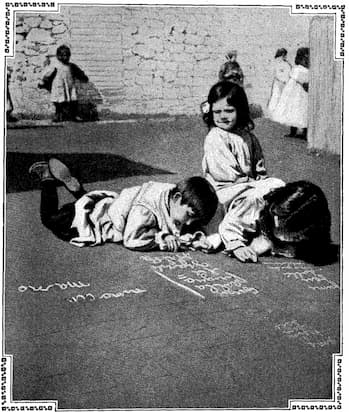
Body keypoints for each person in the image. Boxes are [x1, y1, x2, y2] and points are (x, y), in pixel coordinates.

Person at [29, 158, 218, 252]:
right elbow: (131, 239)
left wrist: (196, 236)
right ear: (177, 199)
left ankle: (78, 191)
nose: (189, 221)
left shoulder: (176, 193)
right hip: (94, 220)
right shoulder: (146, 211)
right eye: (191, 214)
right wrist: (162, 238)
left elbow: (185, 224)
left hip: (111, 207)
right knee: (50, 219)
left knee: (95, 205)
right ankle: (46, 178)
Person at [202, 180, 333, 265]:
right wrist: (237, 245)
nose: (285, 237)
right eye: (280, 225)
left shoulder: (314, 221)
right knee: (214, 239)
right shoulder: (257, 201)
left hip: (261, 226)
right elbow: (230, 224)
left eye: (296, 235)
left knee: (264, 245)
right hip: (223, 208)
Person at [201, 80, 282, 211]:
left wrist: (261, 180)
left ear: (240, 110)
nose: (222, 116)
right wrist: (252, 184)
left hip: (249, 185)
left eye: (229, 111)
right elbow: (226, 174)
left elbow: (259, 166)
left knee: (278, 186)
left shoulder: (248, 137)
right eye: (217, 112)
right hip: (226, 191)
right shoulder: (215, 137)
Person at [38, 45, 89, 122]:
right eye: (63, 55)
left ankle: (73, 116)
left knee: (72, 101)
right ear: (59, 56)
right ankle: (58, 116)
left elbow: (78, 72)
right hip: (59, 86)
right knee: (58, 102)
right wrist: (42, 82)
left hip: (69, 86)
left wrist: (83, 77)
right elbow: (47, 74)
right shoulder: (55, 66)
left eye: (67, 55)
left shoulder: (71, 66)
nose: (66, 58)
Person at [272, 47, 310, 139]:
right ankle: (294, 131)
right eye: (304, 59)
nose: (306, 61)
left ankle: (305, 133)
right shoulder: (297, 69)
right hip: (295, 94)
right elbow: (299, 79)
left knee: (302, 112)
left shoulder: (305, 70)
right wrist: (305, 84)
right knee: (294, 111)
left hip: (302, 95)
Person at [266, 48, 291, 118]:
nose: (286, 57)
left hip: (285, 83)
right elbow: (276, 74)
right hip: (279, 83)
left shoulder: (286, 63)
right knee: (276, 97)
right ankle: (272, 114)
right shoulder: (276, 63)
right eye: (285, 55)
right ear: (282, 55)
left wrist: (286, 81)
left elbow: (288, 73)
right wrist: (282, 80)